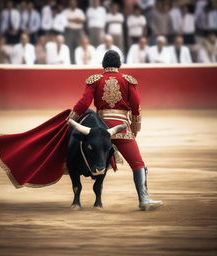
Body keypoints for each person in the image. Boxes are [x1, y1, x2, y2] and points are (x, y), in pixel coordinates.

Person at [68, 50, 163, 211]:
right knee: (138, 163)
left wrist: (72, 116)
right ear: (119, 64)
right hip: (121, 128)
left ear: (103, 64)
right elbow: (136, 106)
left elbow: (84, 103)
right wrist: (134, 128)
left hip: (100, 129)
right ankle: (144, 199)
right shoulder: (127, 80)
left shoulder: (95, 80)